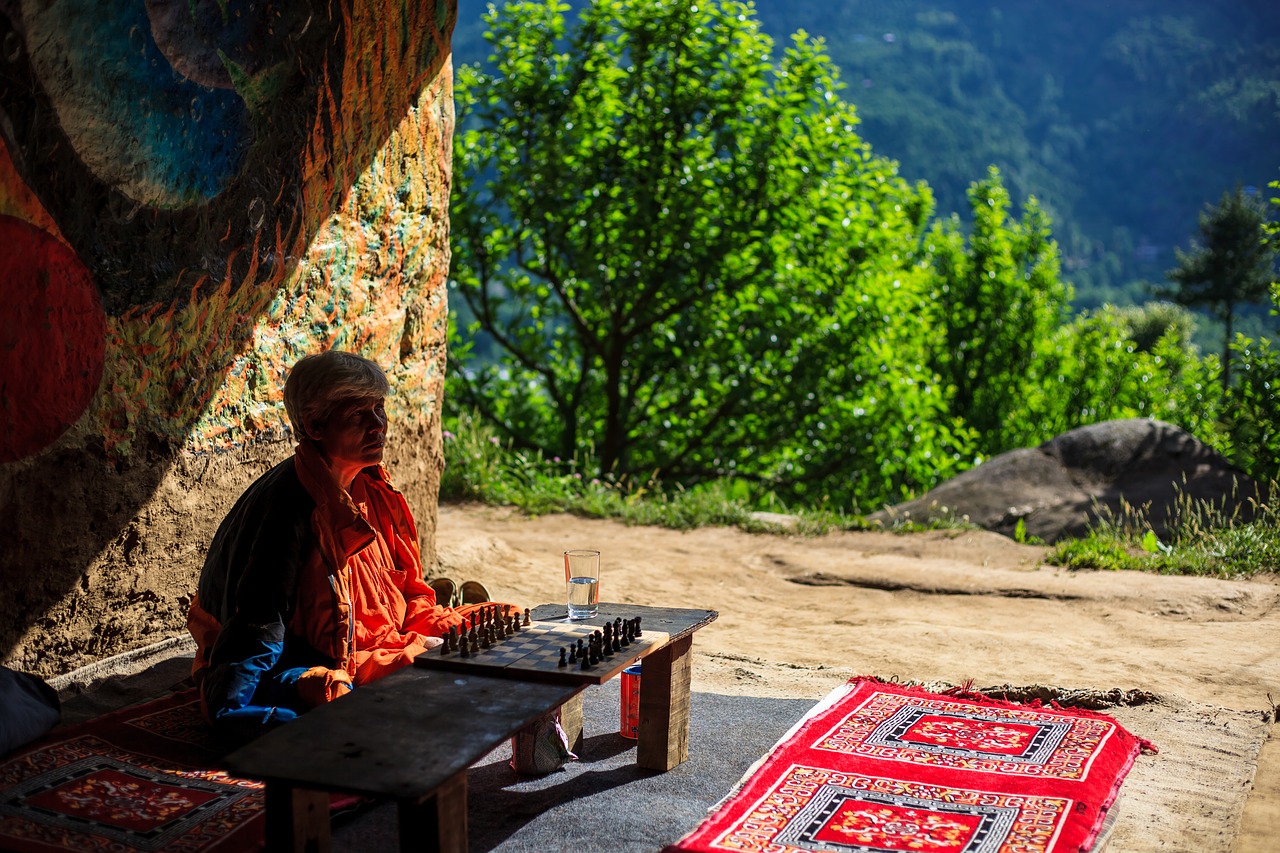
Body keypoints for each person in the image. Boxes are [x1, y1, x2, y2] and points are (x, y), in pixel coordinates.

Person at [187, 351, 501, 738]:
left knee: (504, 622)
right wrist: (228, 703)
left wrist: (438, 627)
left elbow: (408, 589)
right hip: (318, 655)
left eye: (379, 409)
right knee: (341, 695)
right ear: (316, 425)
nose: (378, 426)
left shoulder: (375, 489)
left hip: (383, 634)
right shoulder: (291, 508)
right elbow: (258, 623)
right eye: (358, 415)